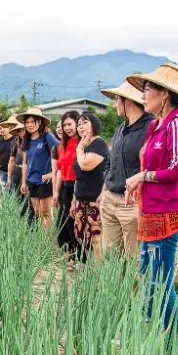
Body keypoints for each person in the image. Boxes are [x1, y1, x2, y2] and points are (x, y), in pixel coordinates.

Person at [124, 63, 178, 335]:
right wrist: (139, 184)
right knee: (148, 278)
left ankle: (171, 342)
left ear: (164, 94)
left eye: (147, 89)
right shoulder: (157, 125)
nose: (143, 95)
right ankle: (153, 334)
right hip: (151, 213)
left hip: (169, 214)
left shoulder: (177, 124)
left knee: (161, 281)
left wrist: (143, 177)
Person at [98, 81, 154, 269]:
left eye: (116, 100)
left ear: (128, 102)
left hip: (132, 204)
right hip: (111, 199)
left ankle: (133, 298)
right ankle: (114, 297)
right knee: (110, 257)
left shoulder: (151, 129)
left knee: (133, 262)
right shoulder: (121, 129)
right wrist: (106, 185)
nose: (114, 104)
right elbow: (111, 160)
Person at [71, 112, 109, 264]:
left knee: (95, 238)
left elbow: (86, 165)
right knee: (83, 237)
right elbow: (78, 176)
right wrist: (74, 200)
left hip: (95, 199)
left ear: (94, 124)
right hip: (81, 198)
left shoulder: (98, 144)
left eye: (85, 122)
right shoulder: (83, 146)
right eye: (79, 124)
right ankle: (91, 271)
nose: (81, 127)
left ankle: (99, 275)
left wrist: (79, 149)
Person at [18, 107, 59, 229]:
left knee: (45, 212)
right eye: (27, 122)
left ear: (39, 122)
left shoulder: (47, 137)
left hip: (45, 181)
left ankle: (45, 241)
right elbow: (25, 163)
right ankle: (41, 236)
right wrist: (24, 182)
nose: (30, 125)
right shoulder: (26, 140)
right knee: (36, 211)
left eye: (32, 122)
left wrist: (53, 173)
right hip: (32, 180)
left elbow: (61, 154)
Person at [52, 111, 81, 266]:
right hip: (65, 187)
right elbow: (60, 170)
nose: (67, 128)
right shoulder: (62, 145)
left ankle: (80, 258)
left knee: (75, 223)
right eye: (64, 125)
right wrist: (56, 192)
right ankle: (69, 255)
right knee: (63, 223)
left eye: (70, 124)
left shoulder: (83, 143)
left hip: (79, 187)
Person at [6, 121, 36, 224]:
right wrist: (9, 178)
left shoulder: (33, 143)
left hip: (29, 175)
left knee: (30, 202)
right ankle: (18, 223)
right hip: (17, 173)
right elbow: (11, 161)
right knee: (17, 199)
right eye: (19, 131)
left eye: (23, 130)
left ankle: (31, 226)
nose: (21, 133)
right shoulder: (16, 143)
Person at [0, 123, 16, 191]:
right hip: (3, 172)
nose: (1, 129)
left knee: (15, 194)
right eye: (0, 128)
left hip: (15, 172)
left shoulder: (16, 139)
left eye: (4, 127)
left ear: (10, 127)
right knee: (5, 194)